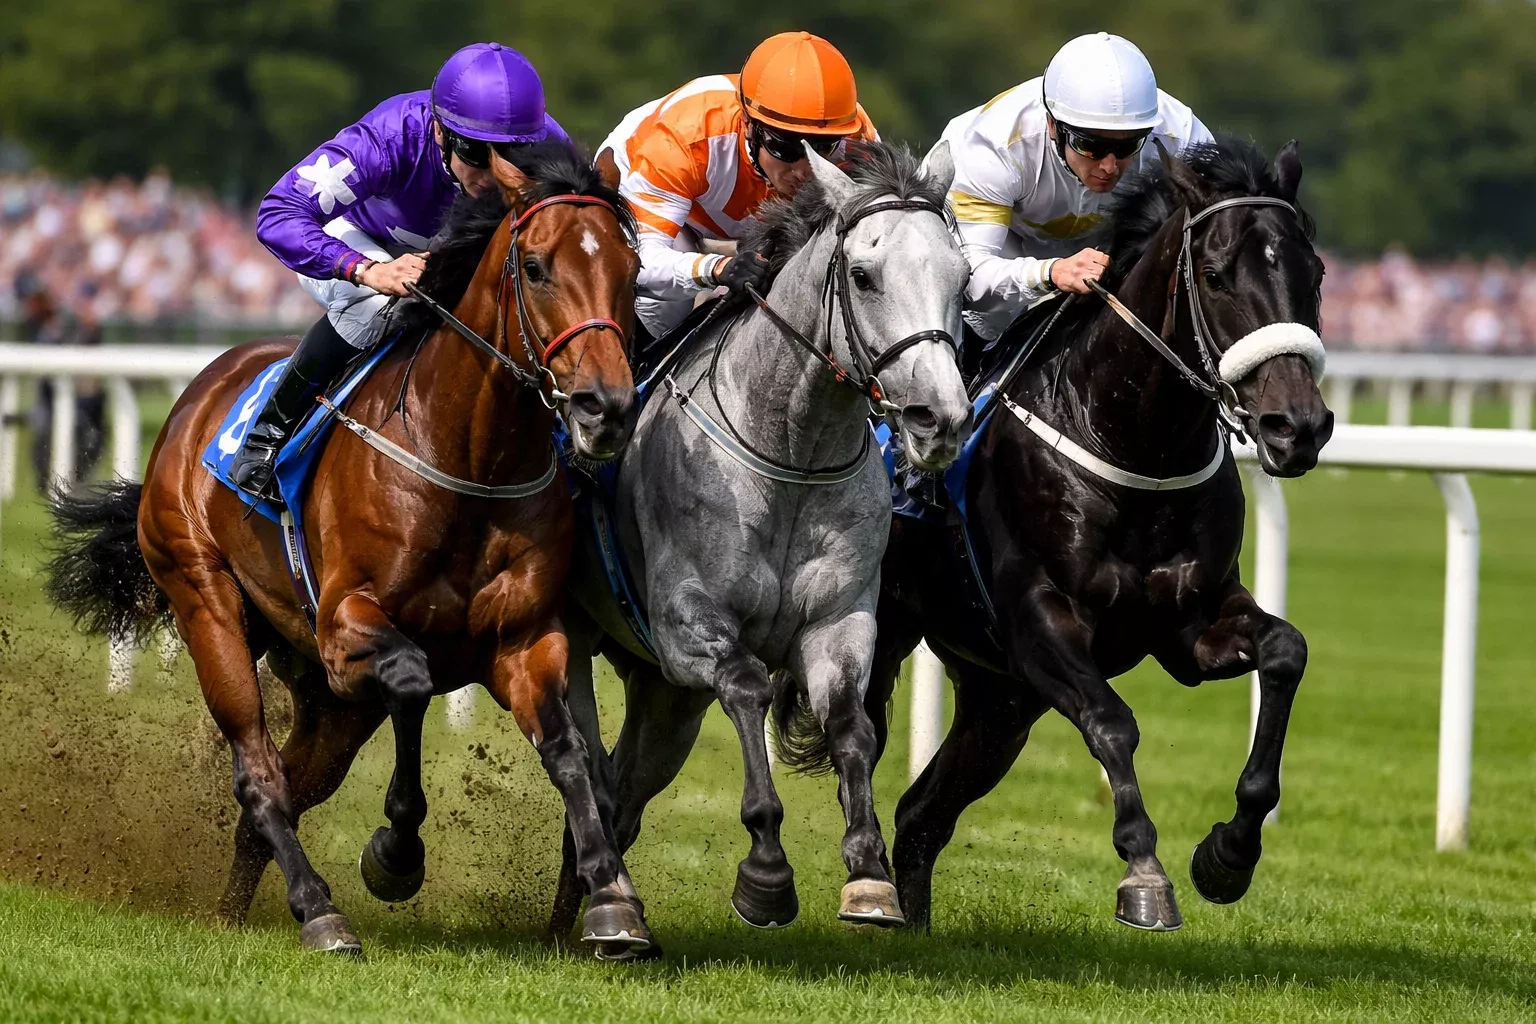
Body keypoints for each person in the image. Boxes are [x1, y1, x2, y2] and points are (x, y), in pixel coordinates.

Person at [230, 42, 569, 500]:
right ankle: (265, 438)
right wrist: (367, 270)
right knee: (376, 305)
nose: (492, 174)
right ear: (439, 132)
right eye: (474, 152)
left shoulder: (551, 148)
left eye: (511, 155)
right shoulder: (389, 139)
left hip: (444, 256)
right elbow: (278, 213)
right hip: (350, 240)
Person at [934, 32, 1213, 353]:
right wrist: (1051, 272)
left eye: (1127, 146)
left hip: (1103, 237)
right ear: (1053, 126)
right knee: (990, 318)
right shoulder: (993, 145)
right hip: (1007, 235)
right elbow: (971, 282)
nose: (1110, 166)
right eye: (1090, 145)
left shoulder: (1180, 135)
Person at [597, 31, 878, 347]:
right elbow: (641, 260)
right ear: (748, 124)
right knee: (662, 304)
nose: (804, 169)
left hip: (736, 215)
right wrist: (717, 268)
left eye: (822, 147)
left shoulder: (856, 140)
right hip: (671, 207)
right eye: (785, 147)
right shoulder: (684, 138)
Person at [15, 274, 105, 491]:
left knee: (79, 430)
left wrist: (90, 331)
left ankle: (75, 477)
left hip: (77, 393)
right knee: (45, 430)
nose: (29, 307)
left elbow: (84, 346)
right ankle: (47, 481)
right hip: (50, 394)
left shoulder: (68, 321)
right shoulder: (34, 324)